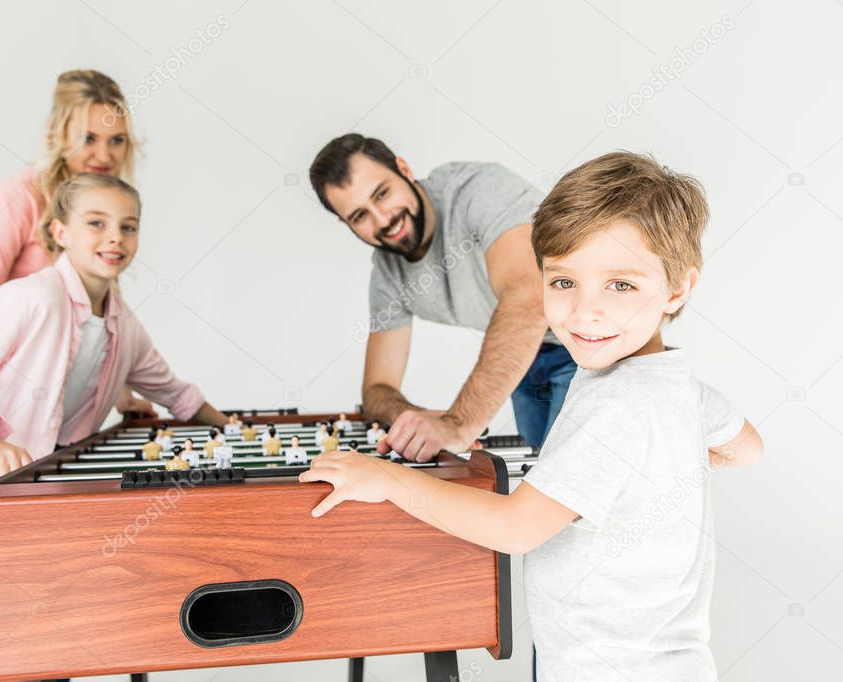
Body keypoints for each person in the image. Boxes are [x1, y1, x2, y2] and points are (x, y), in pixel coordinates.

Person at [301, 152, 764, 681]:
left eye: (621, 285)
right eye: (564, 282)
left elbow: (518, 529)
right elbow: (748, 447)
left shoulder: (611, 408)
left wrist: (387, 477)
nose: (585, 310)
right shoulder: (678, 386)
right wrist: (660, 464)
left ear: (677, 289)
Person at [0, 173, 227, 680]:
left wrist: (231, 426)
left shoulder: (125, 323)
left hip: (27, 504)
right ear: (59, 231)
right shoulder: (30, 298)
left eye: (128, 226)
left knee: (48, 643)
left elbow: (173, 390)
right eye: (96, 223)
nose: (114, 237)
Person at [0, 70, 152, 651]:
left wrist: (115, 392)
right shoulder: (19, 199)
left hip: (20, 408)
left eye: (116, 140)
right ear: (59, 137)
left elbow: (91, 329)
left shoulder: (102, 212)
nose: (103, 153)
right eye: (88, 137)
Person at [309, 134, 577, 463]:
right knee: (539, 486)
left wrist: (458, 424)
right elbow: (377, 388)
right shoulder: (388, 274)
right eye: (359, 216)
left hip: (592, 345)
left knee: (566, 490)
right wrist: (414, 419)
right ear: (344, 222)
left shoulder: (478, 190)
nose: (383, 220)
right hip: (527, 359)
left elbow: (530, 301)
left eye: (382, 194)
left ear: (403, 169)